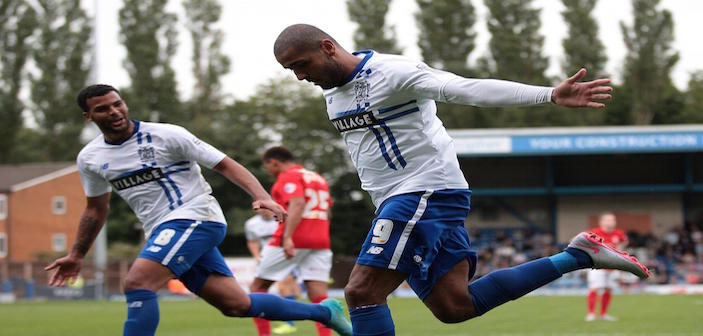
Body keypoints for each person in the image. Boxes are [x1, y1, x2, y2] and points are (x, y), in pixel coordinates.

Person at [273, 24, 650, 336]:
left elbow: (466, 88)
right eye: (291, 70)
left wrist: (549, 94)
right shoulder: (332, 93)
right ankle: (578, 256)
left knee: (361, 292)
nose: (300, 76)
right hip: (402, 200)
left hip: (425, 190)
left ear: (327, 47)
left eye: (302, 64)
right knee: (455, 306)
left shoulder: (393, 72)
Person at [44, 84, 352, 336]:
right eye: (102, 109)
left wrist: (261, 196)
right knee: (236, 304)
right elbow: (96, 210)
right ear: (88, 116)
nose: (114, 112)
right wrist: (77, 254)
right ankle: (324, 312)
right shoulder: (90, 158)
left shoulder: (167, 135)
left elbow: (225, 164)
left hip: (196, 217)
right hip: (163, 231)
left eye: (117, 104)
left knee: (137, 282)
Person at [250, 146, 335, 336]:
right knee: (319, 295)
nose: (269, 171)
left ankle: (264, 335)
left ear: (274, 162)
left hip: (293, 238)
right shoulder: (318, 178)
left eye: (268, 167)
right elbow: (327, 212)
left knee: (257, 288)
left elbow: (298, 203)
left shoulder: (288, 176)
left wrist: (287, 237)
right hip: (320, 240)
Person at [245, 210, 303, 334]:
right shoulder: (251, 223)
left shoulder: (282, 218)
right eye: (260, 207)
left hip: (284, 256)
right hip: (267, 259)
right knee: (257, 289)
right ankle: (287, 320)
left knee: (284, 287)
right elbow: (252, 241)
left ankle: (289, 323)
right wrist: (256, 256)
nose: (263, 210)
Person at [586, 212, 628, 321]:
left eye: (613, 220)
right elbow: (577, 240)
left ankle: (603, 314)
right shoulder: (594, 232)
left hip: (612, 267)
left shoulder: (619, 233)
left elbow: (625, 241)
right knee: (594, 288)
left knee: (609, 289)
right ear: (602, 222)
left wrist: (619, 249)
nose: (611, 222)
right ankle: (591, 314)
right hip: (597, 266)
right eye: (608, 220)